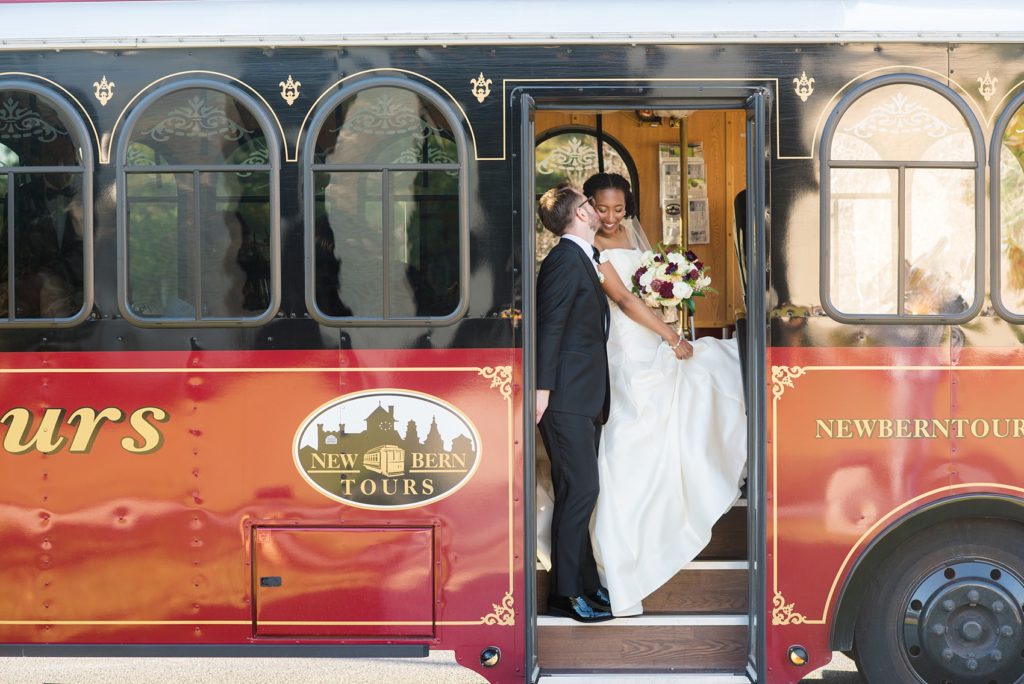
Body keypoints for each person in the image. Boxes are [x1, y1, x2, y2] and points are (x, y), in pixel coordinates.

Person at [584, 172, 747, 617]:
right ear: (589, 206)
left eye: (619, 209)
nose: (612, 218)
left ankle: (703, 471)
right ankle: (626, 557)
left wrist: (673, 293)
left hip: (651, 337)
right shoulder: (590, 250)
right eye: (603, 208)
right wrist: (672, 336)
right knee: (631, 437)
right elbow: (625, 302)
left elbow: (649, 290)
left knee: (716, 364)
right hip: (624, 348)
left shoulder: (637, 240)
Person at [535, 182, 614, 623]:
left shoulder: (582, 258)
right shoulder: (565, 259)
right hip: (564, 397)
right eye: (588, 202)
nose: (594, 208)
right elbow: (551, 326)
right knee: (581, 490)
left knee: (578, 491)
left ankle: (585, 584)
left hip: (583, 396)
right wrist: (542, 390)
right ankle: (565, 594)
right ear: (580, 215)